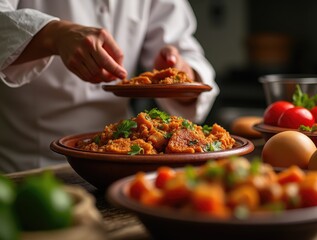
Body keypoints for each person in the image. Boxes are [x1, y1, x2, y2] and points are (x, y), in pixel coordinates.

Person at [0, 0, 219, 173]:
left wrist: (179, 72)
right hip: (29, 167)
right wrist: (53, 34)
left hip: (125, 162)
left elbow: (182, 46)